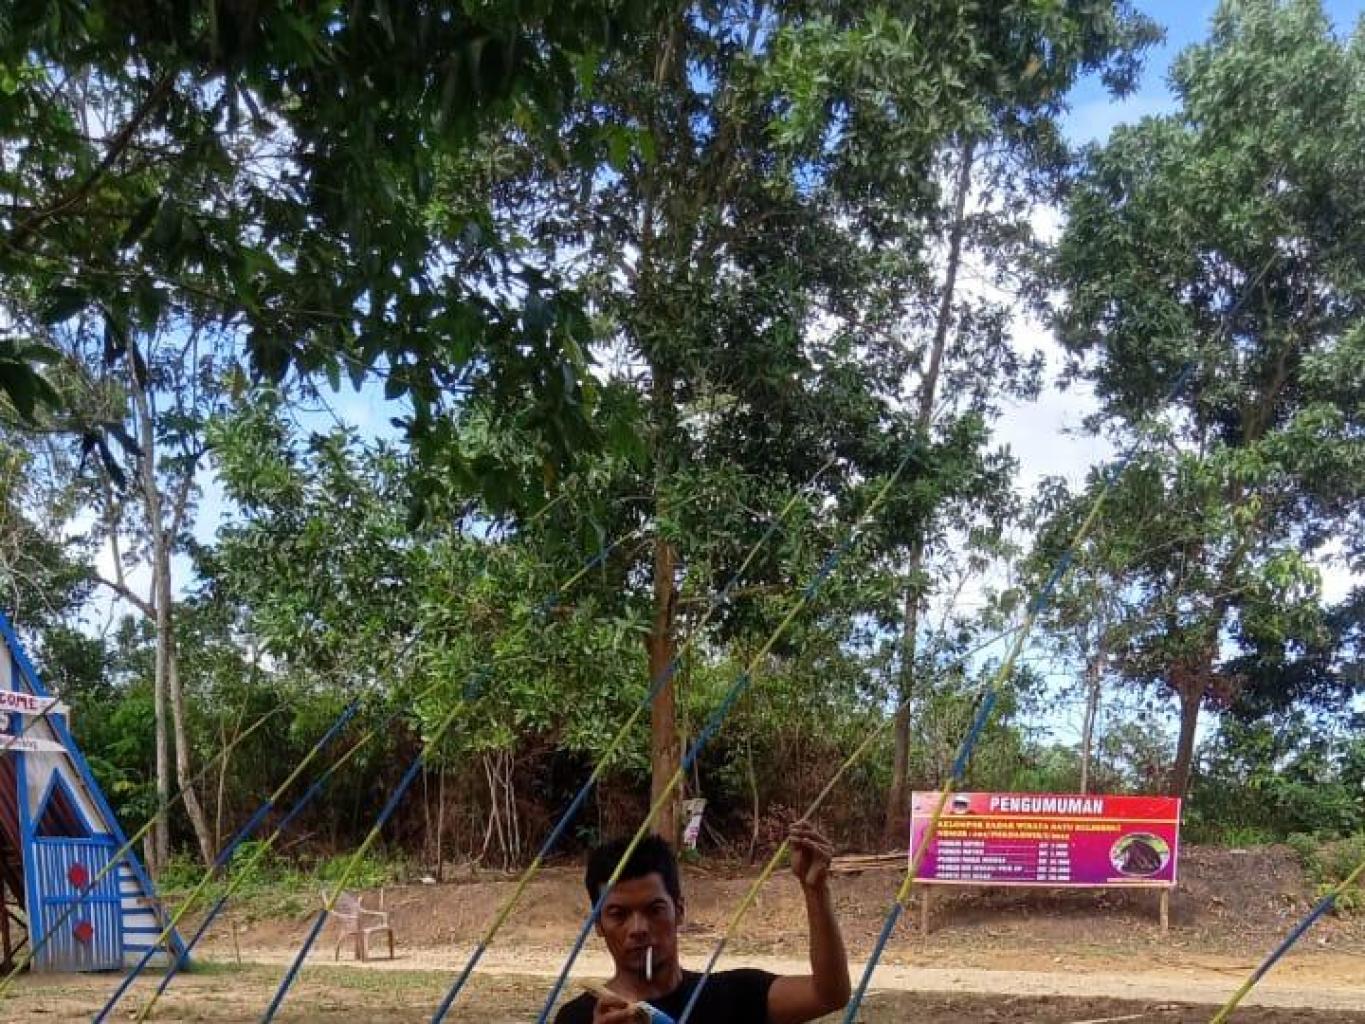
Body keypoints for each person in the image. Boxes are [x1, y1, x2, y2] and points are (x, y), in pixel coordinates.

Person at [555, 822, 851, 1024]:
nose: (638, 928)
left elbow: (828, 994)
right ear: (598, 924)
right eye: (619, 914)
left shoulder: (735, 995)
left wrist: (815, 889)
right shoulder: (578, 1018)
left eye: (654, 910)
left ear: (679, 911)